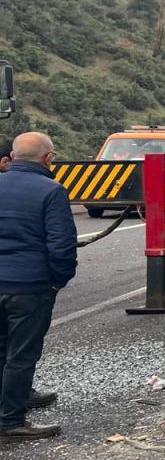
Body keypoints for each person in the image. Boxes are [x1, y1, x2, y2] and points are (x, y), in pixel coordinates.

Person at [0, 132, 77, 442]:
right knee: (21, 354)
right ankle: (10, 421)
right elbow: (61, 245)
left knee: (2, 350)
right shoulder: (51, 190)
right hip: (29, 286)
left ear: (12, 157)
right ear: (48, 158)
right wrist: (58, 280)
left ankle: (11, 405)